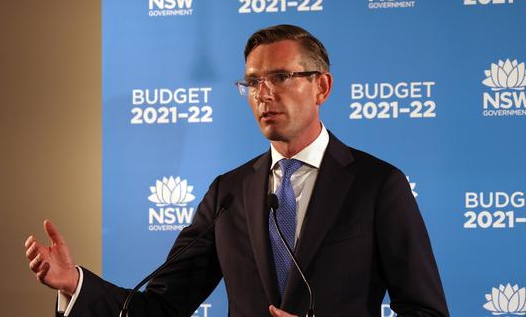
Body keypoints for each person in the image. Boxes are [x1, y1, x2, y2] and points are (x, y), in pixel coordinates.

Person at [25, 24, 450, 317]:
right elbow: (161, 307)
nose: (264, 94)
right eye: (253, 82)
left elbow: (426, 310)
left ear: (322, 86)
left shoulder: (377, 185)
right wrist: (73, 284)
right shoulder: (227, 193)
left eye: (281, 77)